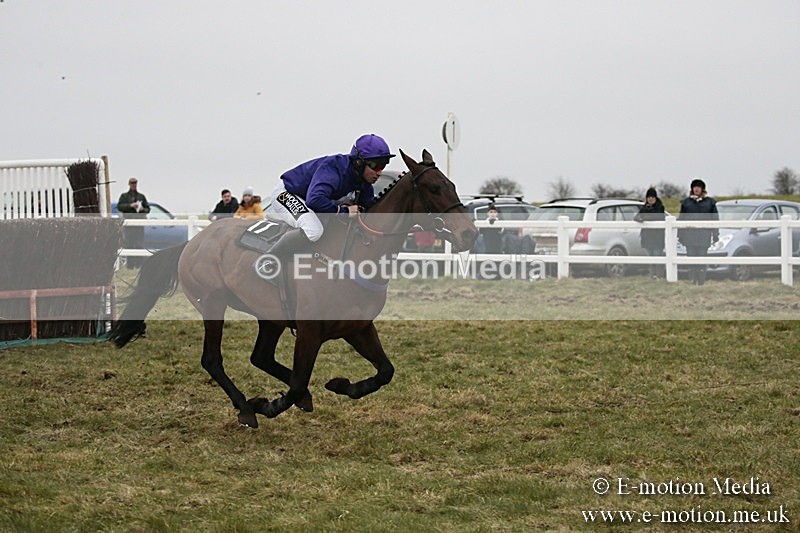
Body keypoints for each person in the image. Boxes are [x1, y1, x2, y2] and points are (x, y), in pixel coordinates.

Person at [261, 133, 394, 273]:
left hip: (307, 198)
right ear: (359, 162)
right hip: (286, 193)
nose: (379, 172)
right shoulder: (333, 169)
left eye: (383, 166)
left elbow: (371, 208)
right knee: (313, 231)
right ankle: (268, 260)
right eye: (375, 166)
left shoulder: (364, 183)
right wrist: (344, 212)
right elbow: (315, 200)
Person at [678, 178, 719, 285]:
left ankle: (701, 280)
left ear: (702, 189)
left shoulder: (710, 202)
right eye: (694, 187)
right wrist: (680, 235)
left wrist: (715, 234)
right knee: (691, 258)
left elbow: (715, 219)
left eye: (698, 187)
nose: (696, 189)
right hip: (689, 235)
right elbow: (681, 218)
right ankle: (692, 279)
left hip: (703, 235)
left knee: (702, 258)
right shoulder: (686, 202)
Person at [117, 177, 150, 268]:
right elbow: (120, 207)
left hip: (139, 223)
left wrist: (142, 209)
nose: (133, 185)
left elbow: (148, 209)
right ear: (129, 184)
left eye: (135, 183)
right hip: (129, 223)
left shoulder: (141, 196)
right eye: (132, 183)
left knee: (139, 243)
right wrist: (130, 205)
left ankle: (139, 264)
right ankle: (130, 265)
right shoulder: (124, 196)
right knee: (129, 244)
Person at [634, 186, 666, 278]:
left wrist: (645, 217)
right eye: (649, 197)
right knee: (650, 257)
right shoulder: (644, 207)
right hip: (647, 237)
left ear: (655, 198)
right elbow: (636, 217)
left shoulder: (660, 207)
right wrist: (640, 218)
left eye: (652, 197)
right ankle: (652, 275)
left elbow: (658, 217)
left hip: (657, 238)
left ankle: (659, 275)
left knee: (657, 256)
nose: (650, 199)